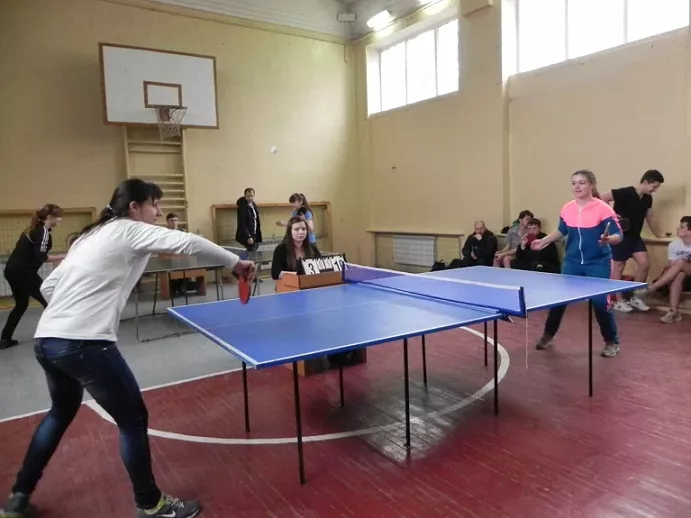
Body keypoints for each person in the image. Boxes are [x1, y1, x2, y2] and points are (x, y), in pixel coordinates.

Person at [0, 179, 255, 518]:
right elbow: (189, 242)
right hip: (85, 343)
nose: (159, 212)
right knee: (133, 419)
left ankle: (18, 497)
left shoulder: (89, 236)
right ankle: (151, 505)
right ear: (134, 207)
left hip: (47, 340)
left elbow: (48, 286)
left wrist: (74, 307)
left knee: (60, 413)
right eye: (154, 204)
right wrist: (236, 263)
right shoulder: (128, 229)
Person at [530, 170, 623, 358]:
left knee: (600, 303)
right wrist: (544, 241)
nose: (577, 187)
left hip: (597, 263)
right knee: (558, 300)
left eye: (581, 182)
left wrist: (608, 240)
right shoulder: (568, 208)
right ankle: (548, 334)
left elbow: (618, 235)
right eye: (574, 183)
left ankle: (611, 341)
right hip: (572, 262)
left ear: (591, 185)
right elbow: (562, 230)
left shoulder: (603, 209)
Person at [600, 169, 665, 313]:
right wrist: (611, 214)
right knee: (619, 267)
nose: (654, 190)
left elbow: (649, 217)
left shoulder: (647, 198)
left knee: (644, 264)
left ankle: (636, 297)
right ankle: (618, 301)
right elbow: (602, 197)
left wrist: (659, 235)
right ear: (646, 182)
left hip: (635, 237)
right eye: (654, 186)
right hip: (620, 236)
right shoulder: (625, 192)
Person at [1, 204, 64, 350]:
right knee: (49, 301)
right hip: (24, 273)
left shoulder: (33, 228)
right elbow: (41, 256)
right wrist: (64, 256)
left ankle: (5, 339)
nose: (60, 219)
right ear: (49, 217)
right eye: (58, 217)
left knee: (21, 304)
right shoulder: (43, 231)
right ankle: (56, 336)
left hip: (12, 270)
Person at [634, 216, 691, 323]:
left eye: (682, 227)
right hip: (684, 277)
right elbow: (672, 267)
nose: (678, 228)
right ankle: (674, 311)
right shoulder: (674, 245)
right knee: (679, 275)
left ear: (689, 231)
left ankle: (652, 288)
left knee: (681, 263)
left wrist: (685, 261)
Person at [271, 215, 321, 280]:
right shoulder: (280, 249)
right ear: (290, 232)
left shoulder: (313, 248)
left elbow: (321, 268)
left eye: (303, 229)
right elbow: (275, 274)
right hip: (288, 285)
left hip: (310, 283)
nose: (301, 232)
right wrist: (299, 275)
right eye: (296, 229)